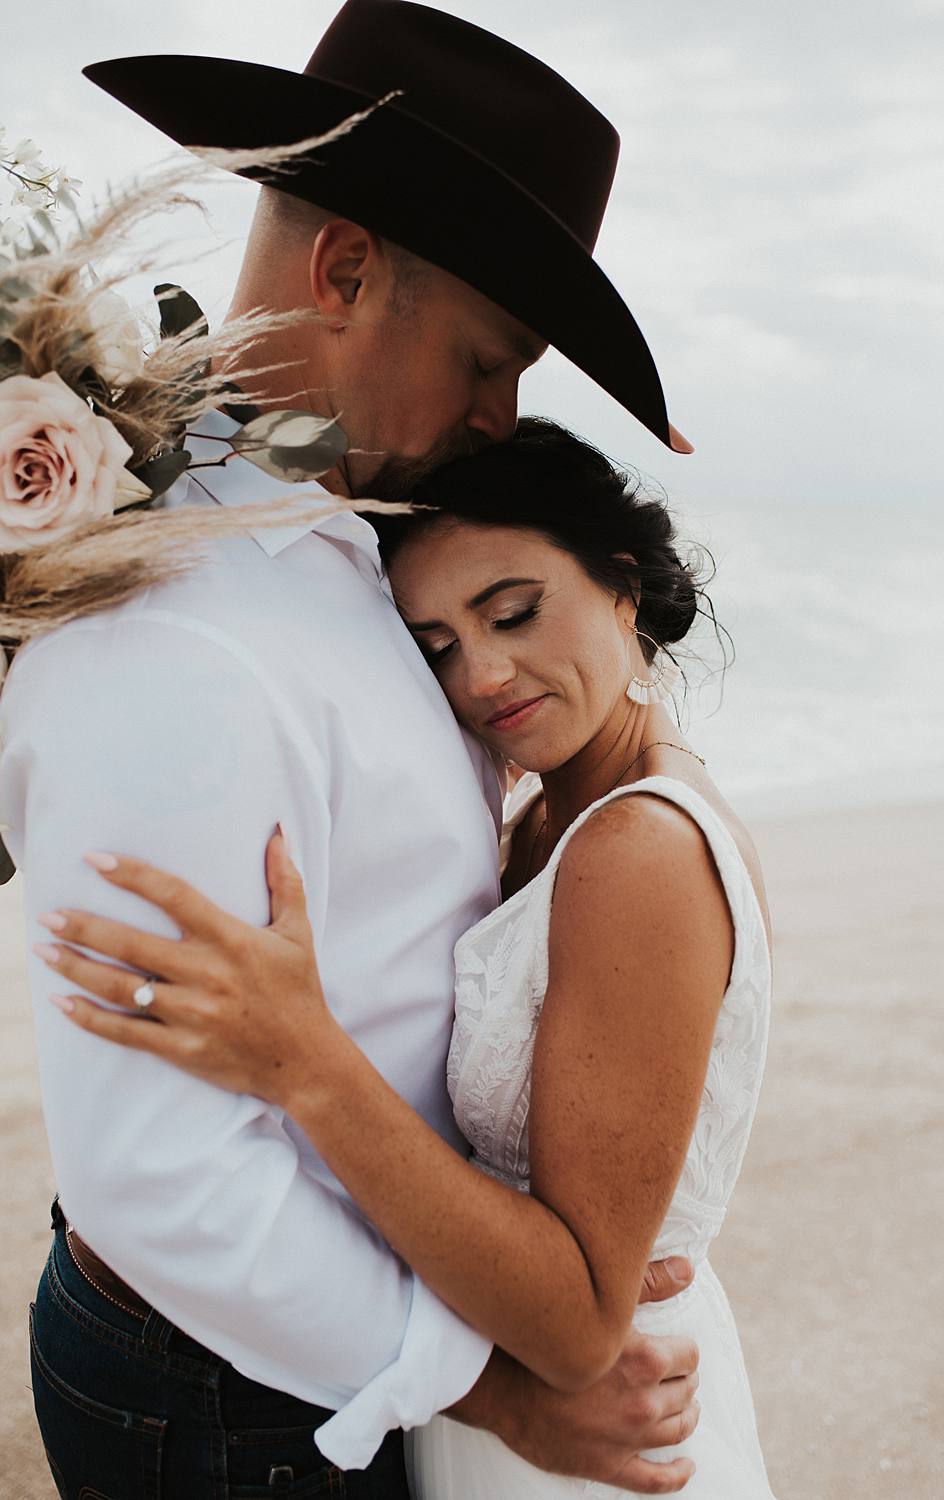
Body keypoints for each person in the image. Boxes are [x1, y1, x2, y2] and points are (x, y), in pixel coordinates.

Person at [0, 4, 703, 1498]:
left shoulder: (341, 544)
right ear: (348, 271)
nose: (504, 416)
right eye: (489, 360)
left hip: (339, 1346)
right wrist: (493, 1392)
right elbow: (160, 1179)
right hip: (241, 1395)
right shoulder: (172, 627)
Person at [36, 419, 776, 1498]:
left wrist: (306, 1060)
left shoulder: (636, 851)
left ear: (622, 584)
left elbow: (575, 1325)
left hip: (588, 1413)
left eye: (513, 612)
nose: (482, 674)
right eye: (434, 648)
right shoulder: (547, 816)